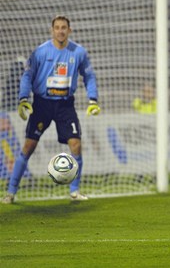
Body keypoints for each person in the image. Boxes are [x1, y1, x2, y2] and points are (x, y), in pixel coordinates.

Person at [1, 15, 100, 204]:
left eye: (64, 27)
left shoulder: (78, 52)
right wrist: (23, 98)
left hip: (65, 105)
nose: (60, 31)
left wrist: (93, 99)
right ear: (51, 30)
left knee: (76, 145)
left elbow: (89, 76)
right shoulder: (40, 52)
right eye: (57, 27)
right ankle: (11, 192)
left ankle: (74, 191)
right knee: (28, 147)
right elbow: (27, 76)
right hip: (42, 104)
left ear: (69, 30)